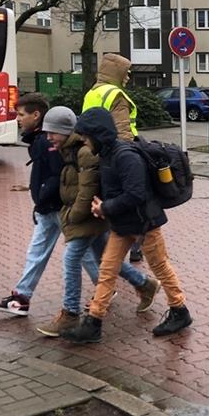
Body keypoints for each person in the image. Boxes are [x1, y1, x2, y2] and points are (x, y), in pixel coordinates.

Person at [60, 107, 192, 343]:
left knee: (160, 266)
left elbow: (136, 194)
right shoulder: (107, 154)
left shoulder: (125, 156)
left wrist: (105, 208)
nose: (86, 144)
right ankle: (94, 322)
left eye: (87, 138)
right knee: (107, 271)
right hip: (122, 224)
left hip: (145, 223)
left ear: (98, 135)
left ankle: (180, 310)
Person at [35, 107, 161, 337]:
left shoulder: (83, 151)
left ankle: (70, 313)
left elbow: (88, 188)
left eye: (52, 132)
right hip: (91, 213)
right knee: (106, 260)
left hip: (89, 215)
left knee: (71, 258)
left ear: (65, 131)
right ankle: (144, 284)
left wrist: (73, 216)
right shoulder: (69, 148)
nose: (48, 137)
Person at [0, 93, 84, 316]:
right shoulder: (40, 140)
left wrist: (41, 197)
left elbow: (56, 174)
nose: (18, 119)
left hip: (57, 208)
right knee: (37, 252)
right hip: (47, 209)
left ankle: (126, 286)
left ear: (36, 115)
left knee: (87, 256)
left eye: (21, 114)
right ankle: (21, 297)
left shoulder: (45, 141)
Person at [81, 52, 143, 263]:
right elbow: (123, 130)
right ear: (117, 73)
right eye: (126, 73)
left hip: (95, 150)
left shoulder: (92, 92)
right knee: (131, 201)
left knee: (104, 197)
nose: (127, 78)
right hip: (119, 154)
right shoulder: (116, 94)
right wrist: (128, 155)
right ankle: (133, 247)